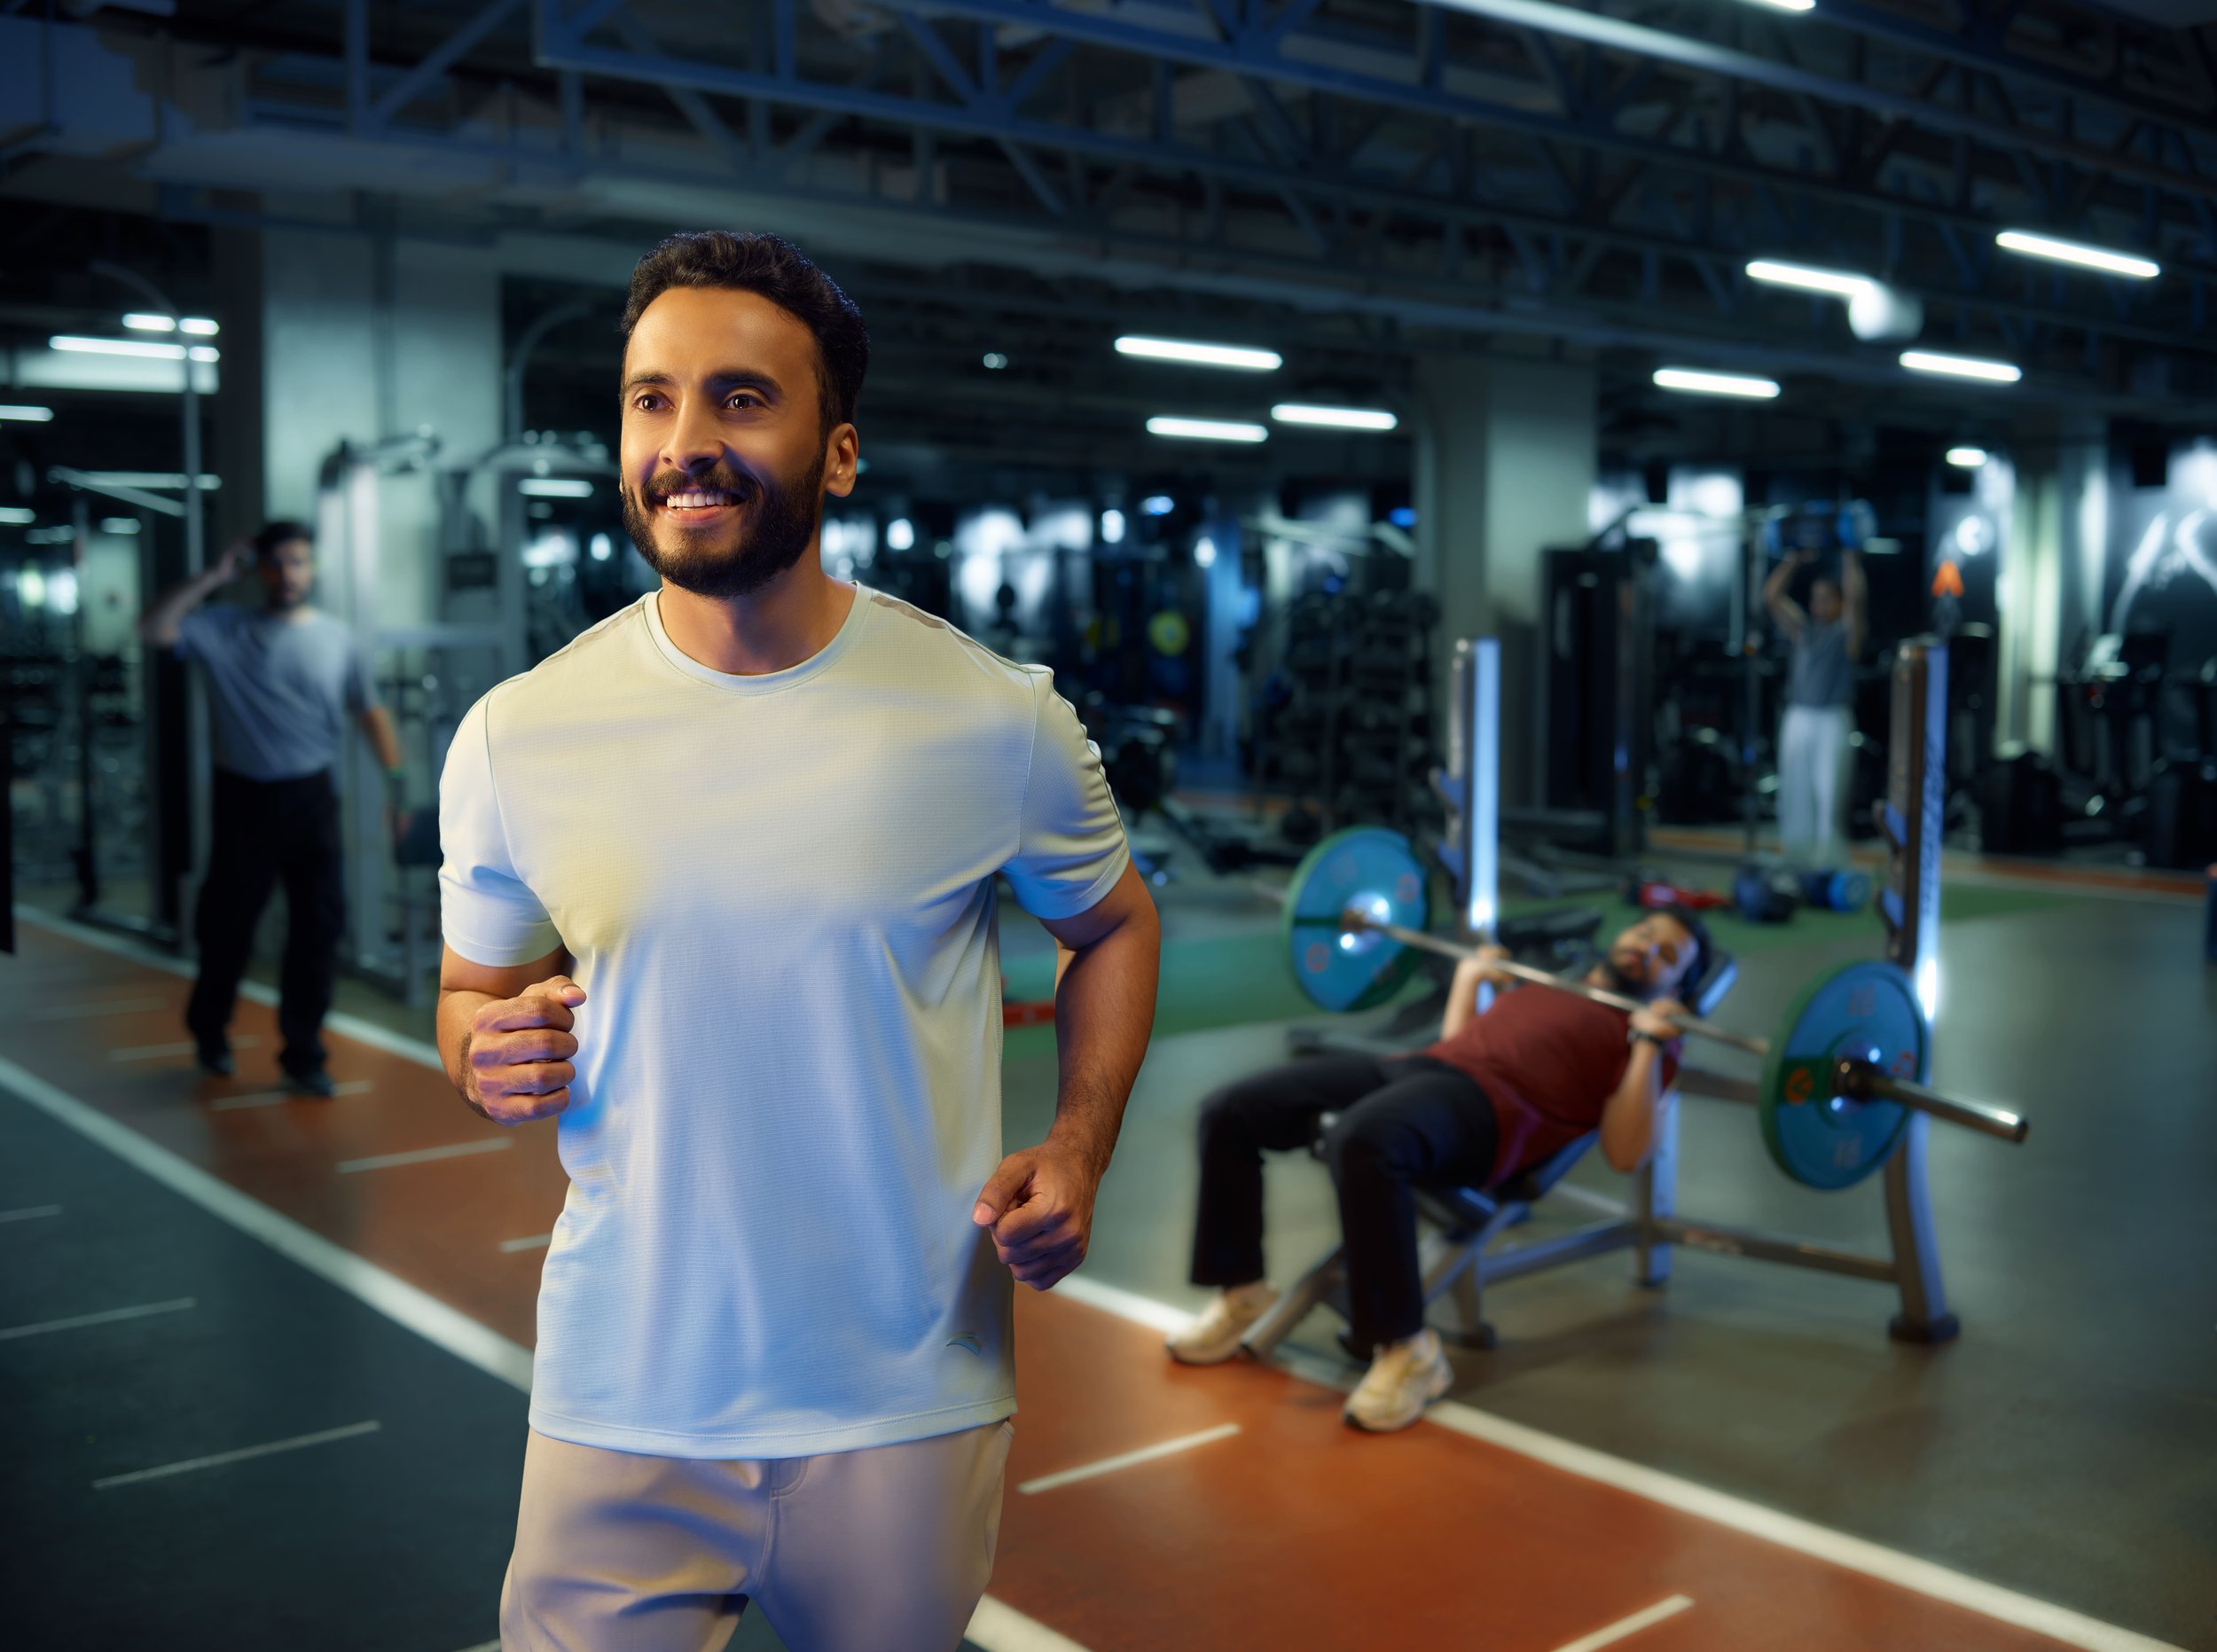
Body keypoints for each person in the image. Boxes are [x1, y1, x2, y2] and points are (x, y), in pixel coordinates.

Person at [433, 231, 1160, 1652]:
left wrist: (1078, 1143)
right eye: (652, 398)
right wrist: (480, 1046)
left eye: (739, 400)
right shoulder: (519, 732)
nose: (685, 442)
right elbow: (472, 988)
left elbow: (1115, 923)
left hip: (902, 1392)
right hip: (625, 1386)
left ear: (836, 454)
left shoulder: (990, 718)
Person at [1169, 912, 1706, 1434]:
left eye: (1667, 956)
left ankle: (1409, 1348)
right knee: (1230, 1109)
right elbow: (1458, 1042)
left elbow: (1625, 1152)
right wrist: (1469, 979)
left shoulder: (1647, 1036)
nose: (1647, 948)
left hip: (1490, 1113)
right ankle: (1242, 1290)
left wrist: (1650, 1043)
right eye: (1646, 932)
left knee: (1364, 1139)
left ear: (1677, 986)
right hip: (1421, 1068)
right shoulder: (1546, 984)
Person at [139, 520, 403, 1095]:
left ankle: (303, 1054)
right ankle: (210, 1032)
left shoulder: (337, 638)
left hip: (312, 799)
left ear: (312, 569)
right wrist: (212, 577)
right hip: (245, 799)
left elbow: (371, 713)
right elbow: (154, 627)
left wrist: (398, 786)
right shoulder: (222, 627)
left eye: (299, 563)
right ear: (259, 570)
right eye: (277, 563)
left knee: (318, 930)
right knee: (226, 929)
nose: (288, 574)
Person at [1765, 544, 1867, 867]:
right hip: (1799, 717)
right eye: (1816, 598)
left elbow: (1857, 601)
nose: (1819, 605)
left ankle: (1829, 864)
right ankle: (1797, 860)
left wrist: (1850, 558)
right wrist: (1791, 560)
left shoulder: (1846, 635)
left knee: (1828, 795)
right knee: (1796, 794)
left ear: (1838, 603)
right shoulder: (1803, 631)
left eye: (1827, 599)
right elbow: (1771, 597)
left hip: (1831, 720)